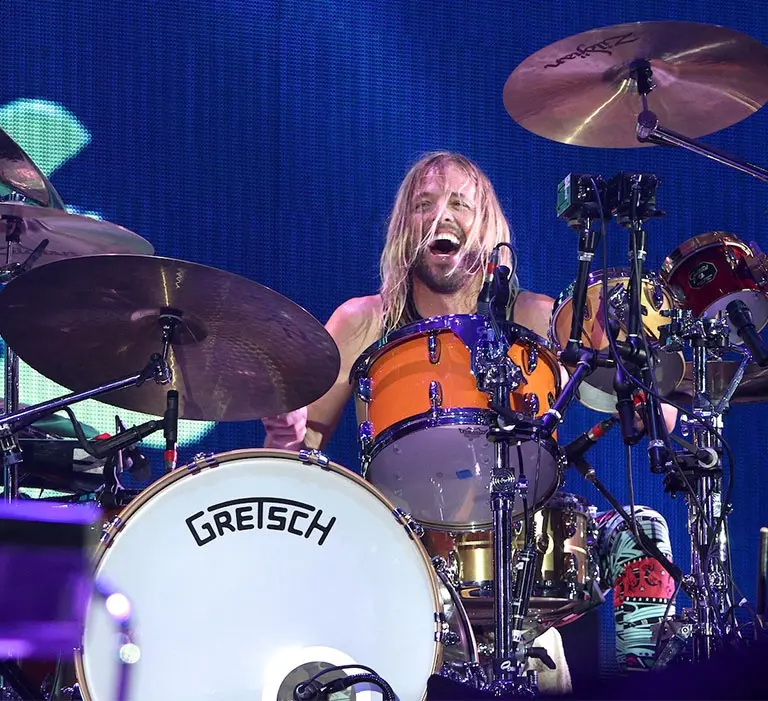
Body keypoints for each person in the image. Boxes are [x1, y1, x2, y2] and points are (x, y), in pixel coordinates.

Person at [263, 152, 677, 686]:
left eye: (460, 203)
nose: (443, 216)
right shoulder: (362, 322)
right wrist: (285, 436)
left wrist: (643, 377)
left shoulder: (534, 316)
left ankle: (647, 689)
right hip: (408, 550)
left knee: (644, 534)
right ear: (403, 227)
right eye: (425, 205)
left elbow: (652, 407)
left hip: (529, 550)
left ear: (488, 226)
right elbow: (299, 458)